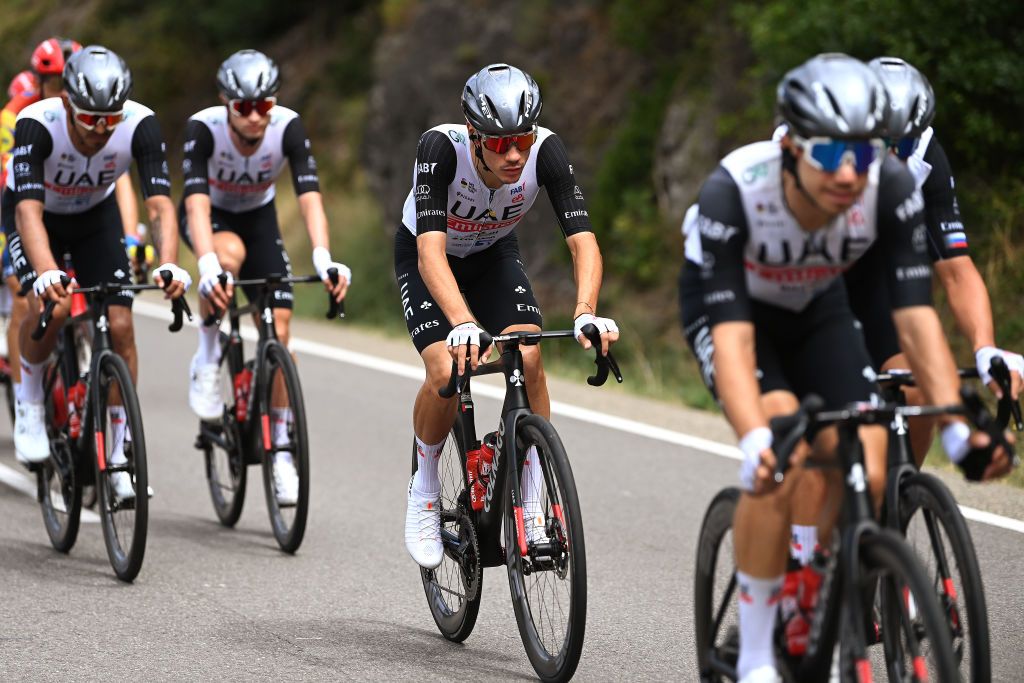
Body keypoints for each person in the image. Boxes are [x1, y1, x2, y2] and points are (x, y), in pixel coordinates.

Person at [677, 53, 1011, 682]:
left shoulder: (889, 184)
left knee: (874, 462)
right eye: (832, 156)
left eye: (863, 154)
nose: (850, 173)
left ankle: (816, 581)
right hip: (736, 312)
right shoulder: (734, 189)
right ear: (790, 148)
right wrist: (752, 436)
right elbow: (735, 340)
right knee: (782, 453)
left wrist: (957, 424)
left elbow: (915, 322)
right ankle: (753, 653)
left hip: (814, 306)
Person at [398, 63, 619, 568]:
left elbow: (584, 243)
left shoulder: (548, 151)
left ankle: (534, 496)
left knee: (530, 353)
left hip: (493, 254)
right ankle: (425, 488)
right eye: (500, 145)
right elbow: (431, 255)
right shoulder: (439, 149)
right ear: (474, 136)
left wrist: (586, 312)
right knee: (445, 369)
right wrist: (462, 322)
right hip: (429, 255)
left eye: (522, 138)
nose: (515, 154)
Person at [3, 45, 190, 501]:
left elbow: (161, 204)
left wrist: (168, 261)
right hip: (35, 214)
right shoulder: (36, 123)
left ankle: (121, 453)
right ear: (67, 103)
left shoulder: (139, 124)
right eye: (90, 119)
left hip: (93, 216)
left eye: (110, 119)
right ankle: (28, 398)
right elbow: (27, 211)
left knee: (122, 325)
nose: (101, 130)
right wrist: (46, 273)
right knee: (56, 306)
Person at [180, 49, 350, 505]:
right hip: (211, 218)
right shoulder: (204, 128)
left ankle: (280, 454)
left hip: (258, 218)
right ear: (226, 102)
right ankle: (208, 356)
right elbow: (194, 203)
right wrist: (207, 264)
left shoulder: (287, 127)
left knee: (281, 329)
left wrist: (321, 256)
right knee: (229, 256)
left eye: (264, 105)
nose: (256, 117)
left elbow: (309, 196)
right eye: (245, 107)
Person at [1, 38, 144, 412]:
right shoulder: (17, 116)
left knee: (111, 309)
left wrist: (130, 237)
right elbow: (11, 184)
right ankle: (26, 395)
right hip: (25, 204)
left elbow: (119, 180)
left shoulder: (97, 118)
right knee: (23, 295)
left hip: (86, 210)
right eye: (48, 80)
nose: (53, 87)